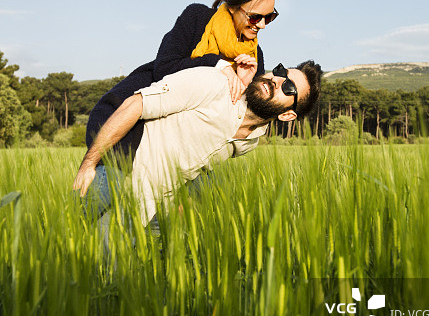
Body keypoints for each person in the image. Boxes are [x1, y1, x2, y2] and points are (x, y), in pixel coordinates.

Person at [74, 58, 322, 226]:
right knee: (71, 254)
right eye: (280, 71)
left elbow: (198, 163)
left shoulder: (251, 141)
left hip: (145, 210)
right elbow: (136, 104)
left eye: (289, 88)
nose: (277, 80)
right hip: (114, 177)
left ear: (288, 116)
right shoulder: (215, 84)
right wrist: (89, 164)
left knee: (108, 277)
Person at [86, 0, 279, 159]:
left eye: (269, 17)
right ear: (232, 7)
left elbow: (240, 120)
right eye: (255, 17)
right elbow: (164, 67)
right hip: (129, 127)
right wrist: (218, 65)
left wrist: (244, 87)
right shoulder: (197, 18)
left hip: (185, 149)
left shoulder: (254, 57)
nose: (262, 25)